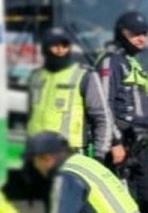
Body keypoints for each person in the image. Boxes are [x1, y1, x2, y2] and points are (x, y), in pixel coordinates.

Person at [26, 26, 123, 164]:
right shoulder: (35, 77)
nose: (60, 50)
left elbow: (102, 117)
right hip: (36, 156)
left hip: (69, 156)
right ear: (45, 47)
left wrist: (99, 155)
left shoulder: (84, 76)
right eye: (55, 45)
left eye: (64, 45)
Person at [95, 11, 148, 213]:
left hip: (138, 144)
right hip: (121, 142)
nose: (142, 38)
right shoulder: (110, 61)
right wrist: (115, 143)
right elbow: (104, 104)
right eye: (135, 34)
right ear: (122, 33)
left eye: (145, 33)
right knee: (121, 203)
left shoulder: (132, 62)